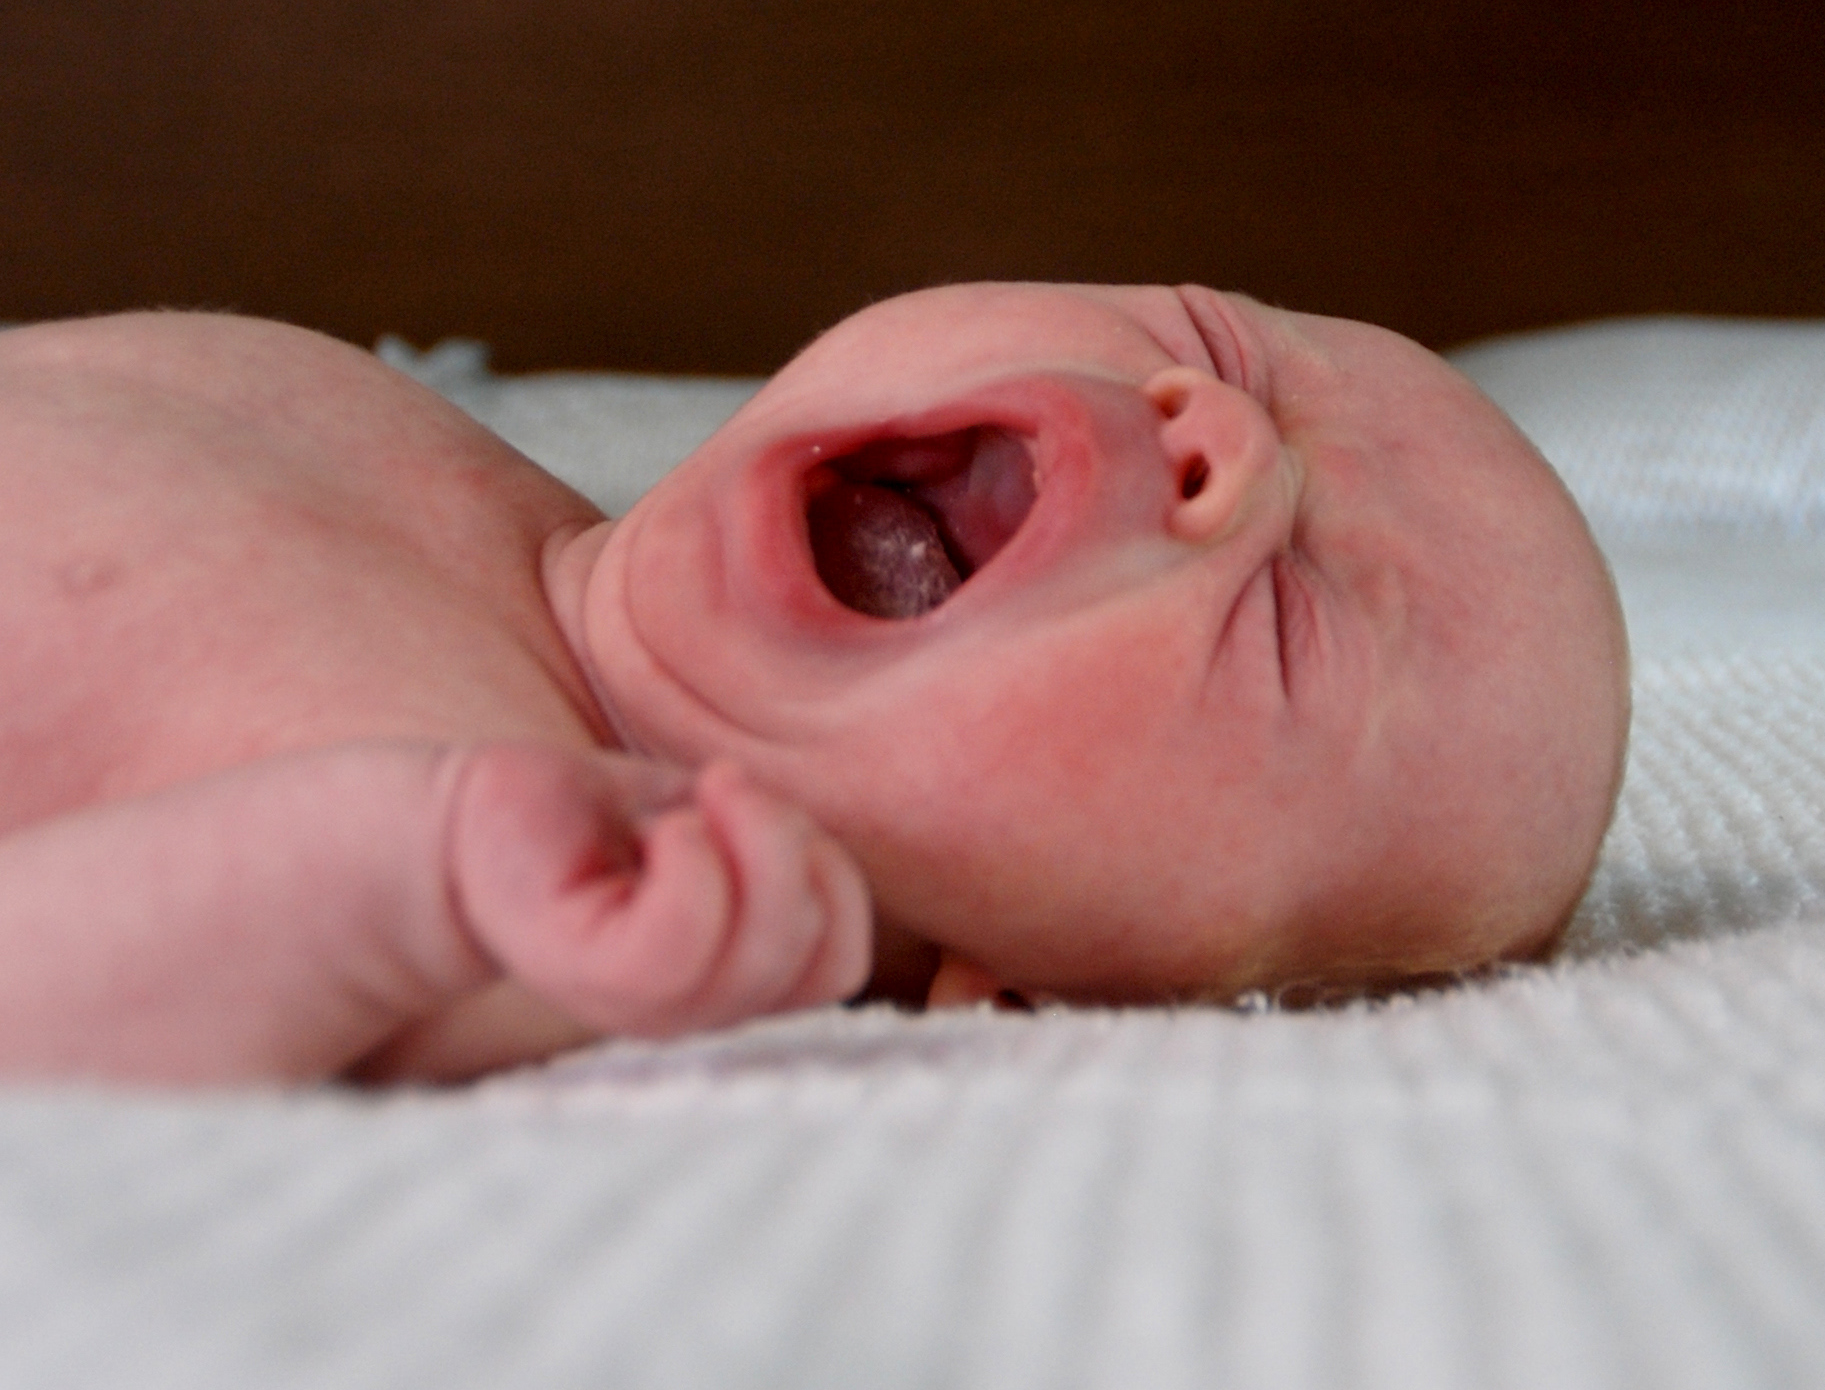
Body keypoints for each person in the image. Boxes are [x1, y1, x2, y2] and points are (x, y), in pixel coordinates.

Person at [0, 282, 1628, 1083]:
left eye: (1286, 630)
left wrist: (412, 881)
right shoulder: (380, 420)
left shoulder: (529, 904)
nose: (1223, 434)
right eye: (1215, 341)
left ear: (1038, 1003)